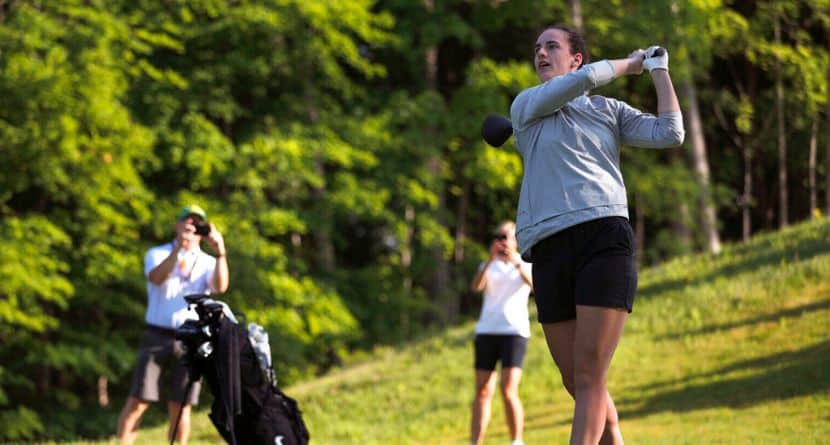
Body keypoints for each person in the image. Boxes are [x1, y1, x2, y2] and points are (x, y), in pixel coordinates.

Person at [509, 25, 684, 445]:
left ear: (576, 57)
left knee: (589, 377)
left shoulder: (609, 111)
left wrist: (658, 70)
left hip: (603, 238)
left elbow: (670, 133)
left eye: (552, 46)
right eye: (537, 48)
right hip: (548, 249)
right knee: (577, 382)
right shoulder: (526, 107)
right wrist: (631, 64)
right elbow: (584, 82)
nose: (541, 53)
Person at [116, 205, 229, 445]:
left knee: (181, 406)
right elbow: (157, 278)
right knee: (139, 400)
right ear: (176, 226)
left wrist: (220, 252)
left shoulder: (208, 261)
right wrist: (178, 250)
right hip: (157, 335)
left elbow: (220, 287)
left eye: (196, 223)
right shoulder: (157, 253)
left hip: (191, 339)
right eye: (185, 222)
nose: (189, 227)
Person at [469, 221, 533, 445]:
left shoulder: (525, 263)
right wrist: (489, 260)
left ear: (516, 240)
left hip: (514, 332)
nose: (503, 241)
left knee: (508, 389)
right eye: (499, 236)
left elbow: (534, 286)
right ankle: (475, 442)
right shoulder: (488, 265)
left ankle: (516, 441)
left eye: (507, 237)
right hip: (487, 331)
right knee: (483, 391)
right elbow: (476, 287)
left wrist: (515, 262)